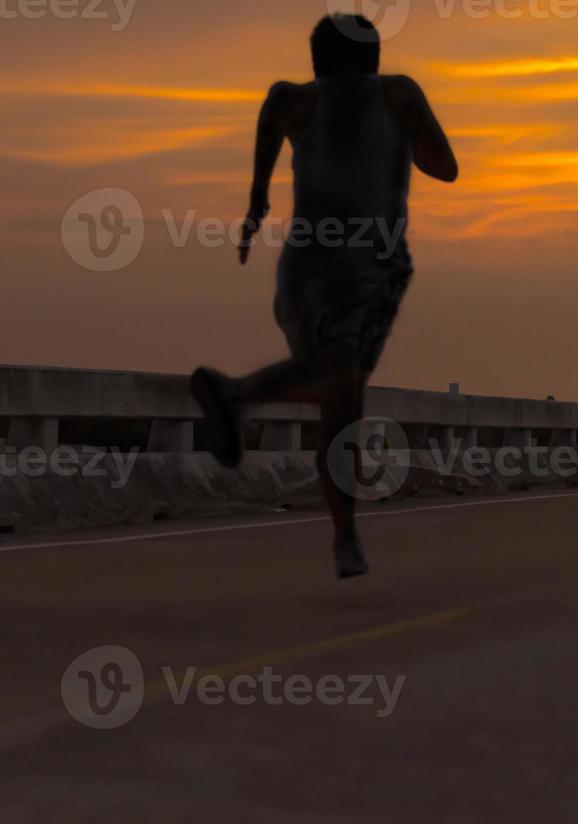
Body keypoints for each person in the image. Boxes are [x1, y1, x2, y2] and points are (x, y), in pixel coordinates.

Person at [189, 13, 458, 579]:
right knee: (340, 374)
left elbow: (263, 162)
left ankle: (344, 537)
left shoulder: (291, 100)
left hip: (303, 266)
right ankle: (237, 394)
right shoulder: (400, 94)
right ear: (374, 59)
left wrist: (256, 207)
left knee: (342, 402)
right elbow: (446, 168)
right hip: (368, 261)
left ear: (316, 61)